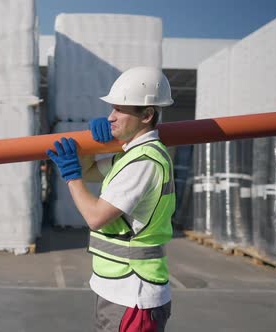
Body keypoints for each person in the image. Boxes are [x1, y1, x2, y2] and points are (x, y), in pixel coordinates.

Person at [46, 66, 175, 332]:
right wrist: (91, 146)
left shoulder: (143, 162)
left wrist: (70, 174)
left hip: (133, 292)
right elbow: (90, 171)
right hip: (120, 288)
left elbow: (95, 217)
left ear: (147, 115)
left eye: (119, 110)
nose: (110, 117)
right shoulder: (132, 155)